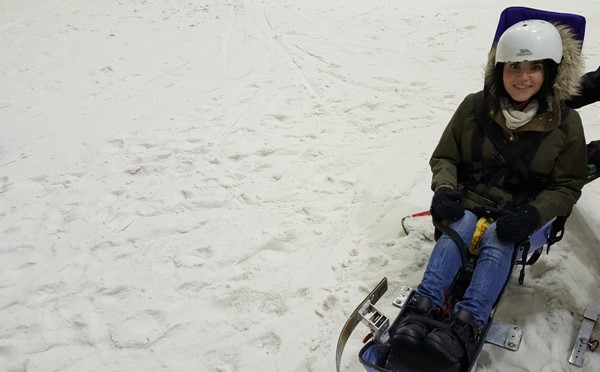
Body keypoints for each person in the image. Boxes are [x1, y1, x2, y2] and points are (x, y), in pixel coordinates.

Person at [390, 19, 588, 364]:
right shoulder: (474, 107)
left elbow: (567, 184)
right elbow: (446, 156)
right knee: (459, 228)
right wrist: (445, 188)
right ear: (500, 69)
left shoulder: (566, 123)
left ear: (551, 73)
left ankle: (468, 322)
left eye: (534, 68)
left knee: (499, 239)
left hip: (521, 210)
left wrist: (533, 214)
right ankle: (422, 306)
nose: (522, 77)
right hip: (469, 199)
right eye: (514, 67)